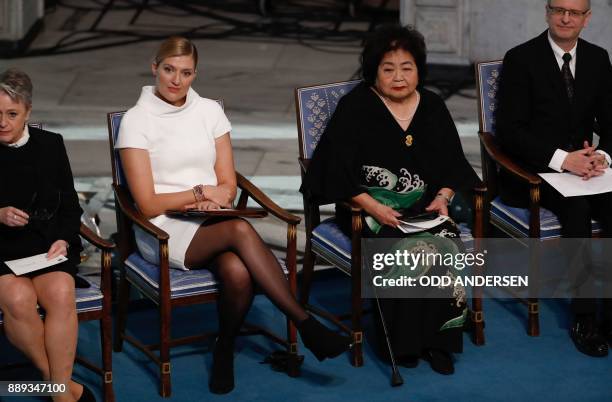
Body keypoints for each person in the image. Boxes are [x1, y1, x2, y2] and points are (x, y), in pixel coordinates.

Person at [116, 36, 351, 394]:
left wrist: (215, 199)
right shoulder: (136, 120)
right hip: (162, 229)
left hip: (211, 219)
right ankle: (306, 324)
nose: (176, 80)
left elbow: (227, 183)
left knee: (238, 271)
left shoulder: (209, 111)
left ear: (195, 74)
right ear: (155, 68)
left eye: (186, 72)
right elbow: (146, 204)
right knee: (240, 229)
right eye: (168, 70)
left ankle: (224, 346)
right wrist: (198, 194)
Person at [301, 24, 480, 375]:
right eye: (388, 68)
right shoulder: (356, 107)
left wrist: (443, 197)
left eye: (407, 67)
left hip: (424, 206)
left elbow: (452, 164)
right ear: (374, 72)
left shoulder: (432, 106)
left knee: (446, 242)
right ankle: (402, 344)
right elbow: (334, 170)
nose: (398, 76)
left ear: (419, 70)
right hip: (367, 206)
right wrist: (373, 207)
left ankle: (440, 342)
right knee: (399, 246)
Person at [496, 0, 612, 357]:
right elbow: (509, 132)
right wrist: (564, 161)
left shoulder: (597, 57)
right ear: (547, 13)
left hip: (587, 170)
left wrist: (602, 156)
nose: (565, 17)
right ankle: (585, 318)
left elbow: (610, 122)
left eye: (574, 12)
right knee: (576, 213)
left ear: (586, 19)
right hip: (533, 172)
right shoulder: (521, 58)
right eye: (559, 9)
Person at [0, 69, 94, 402]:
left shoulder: (50, 145)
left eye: (11, 114)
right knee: (18, 299)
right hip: (2, 253)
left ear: (27, 112)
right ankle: (62, 390)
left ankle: (56, 390)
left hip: (45, 247)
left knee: (60, 291)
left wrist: (65, 239)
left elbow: (70, 207)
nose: (2, 122)